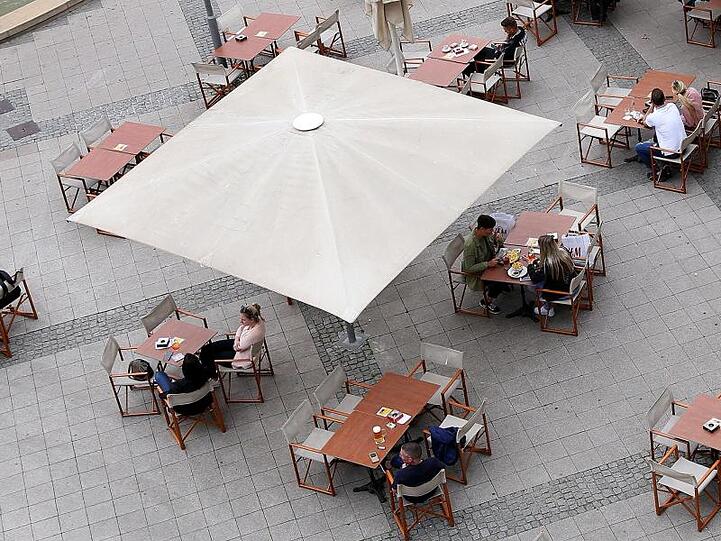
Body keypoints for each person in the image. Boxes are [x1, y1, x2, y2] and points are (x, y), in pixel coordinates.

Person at [628, 88, 686, 182]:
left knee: (639, 147)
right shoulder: (672, 106)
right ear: (664, 98)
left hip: (671, 153)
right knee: (659, 134)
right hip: (683, 145)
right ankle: (660, 162)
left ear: (652, 102)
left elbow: (645, 121)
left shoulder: (654, 117)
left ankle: (659, 170)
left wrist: (651, 106)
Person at [199, 304, 266, 377]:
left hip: (241, 357)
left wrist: (237, 341)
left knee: (210, 356)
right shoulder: (256, 321)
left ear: (252, 319)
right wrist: (237, 339)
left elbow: (238, 348)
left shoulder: (254, 333)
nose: (240, 321)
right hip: (242, 345)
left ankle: (212, 374)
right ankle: (209, 370)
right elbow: (241, 328)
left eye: (243, 320)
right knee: (207, 348)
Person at [463, 214, 505, 314]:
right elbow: (468, 268)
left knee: (506, 269)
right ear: (482, 228)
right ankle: (486, 301)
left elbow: (493, 243)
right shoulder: (470, 245)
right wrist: (488, 264)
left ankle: (501, 287)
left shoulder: (485, 235)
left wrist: (498, 239)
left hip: (490, 264)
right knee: (501, 280)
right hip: (478, 274)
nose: (492, 231)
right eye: (490, 230)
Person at [527, 235, 577, 317]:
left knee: (531, 286)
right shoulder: (563, 251)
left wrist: (530, 264)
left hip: (564, 293)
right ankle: (548, 306)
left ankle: (548, 308)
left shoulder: (548, 264)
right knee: (546, 280)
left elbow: (534, 278)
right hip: (574, 285)